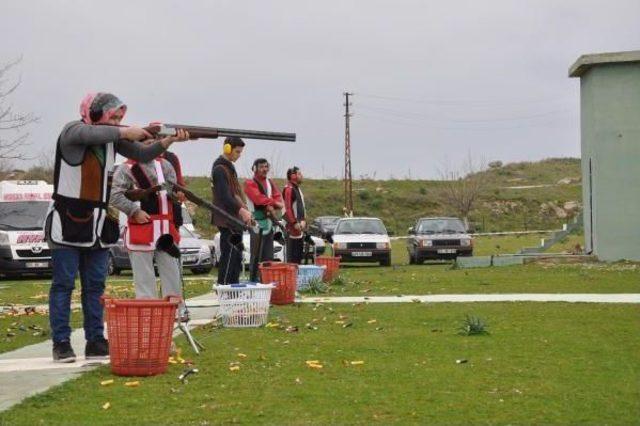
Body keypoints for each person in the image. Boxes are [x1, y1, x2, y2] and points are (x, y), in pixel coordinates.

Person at [45, 92, 189, 363]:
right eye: (114, 116)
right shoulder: (73, 131)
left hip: (99, 225)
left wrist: (168, 140)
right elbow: (92, 134)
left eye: (120, 117)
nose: (118, 121)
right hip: (68, 221)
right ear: (96, 112)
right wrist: (126, 131)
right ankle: (61, 342)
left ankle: (96, 340)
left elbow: (143, 152)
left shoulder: (111, 140)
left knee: (95, 286)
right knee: (63, 285)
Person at [110, 154, 187, 318]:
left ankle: (175, 313)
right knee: (144, 280)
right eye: (147, 141)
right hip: (141, 229)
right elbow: (115, 196)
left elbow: (173, 191)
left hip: (166, 229)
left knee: (172, 275)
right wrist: (134, 211)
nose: (152, 144)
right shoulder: (126, 168)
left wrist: (177, 195)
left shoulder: (165, 165)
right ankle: (148, 317)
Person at [211, 137, 252, 285]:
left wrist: (244, 210)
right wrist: (242, 211)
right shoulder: (220, 170)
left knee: (236, 257)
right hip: (227, 219)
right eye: (237, 151)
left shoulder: (228, 168)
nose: (239, 155)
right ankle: (225, 290)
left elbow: (235, 194)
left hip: (234, 219)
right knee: (229, 257)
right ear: (227, 148)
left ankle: (233, 289)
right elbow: (225, 196)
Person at [243, 158, 284, 281]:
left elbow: (278, 197)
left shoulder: (270, 182)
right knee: (256, 256)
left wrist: (272, 205)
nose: (264, 169)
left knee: (268, 255)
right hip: (256, 222)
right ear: (255, 168)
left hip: (269, 222)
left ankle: (266, 281)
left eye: (266, 167)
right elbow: (258, 199)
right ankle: (255, 281)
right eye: (261, 167)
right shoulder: (249, 183)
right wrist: (272, 204)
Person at [282, 166, 307, 264]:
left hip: (299, 227)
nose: (302, 176)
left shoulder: (298, 189)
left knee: (298, 256)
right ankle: (290, 278)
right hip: (291, 227)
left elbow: (302, 208)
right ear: (293, 176)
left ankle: (297, 277)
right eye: (299, 174)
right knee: (292, 257)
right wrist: (294, 222)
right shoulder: (289, 189)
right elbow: (287, 208)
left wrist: (303, 220)